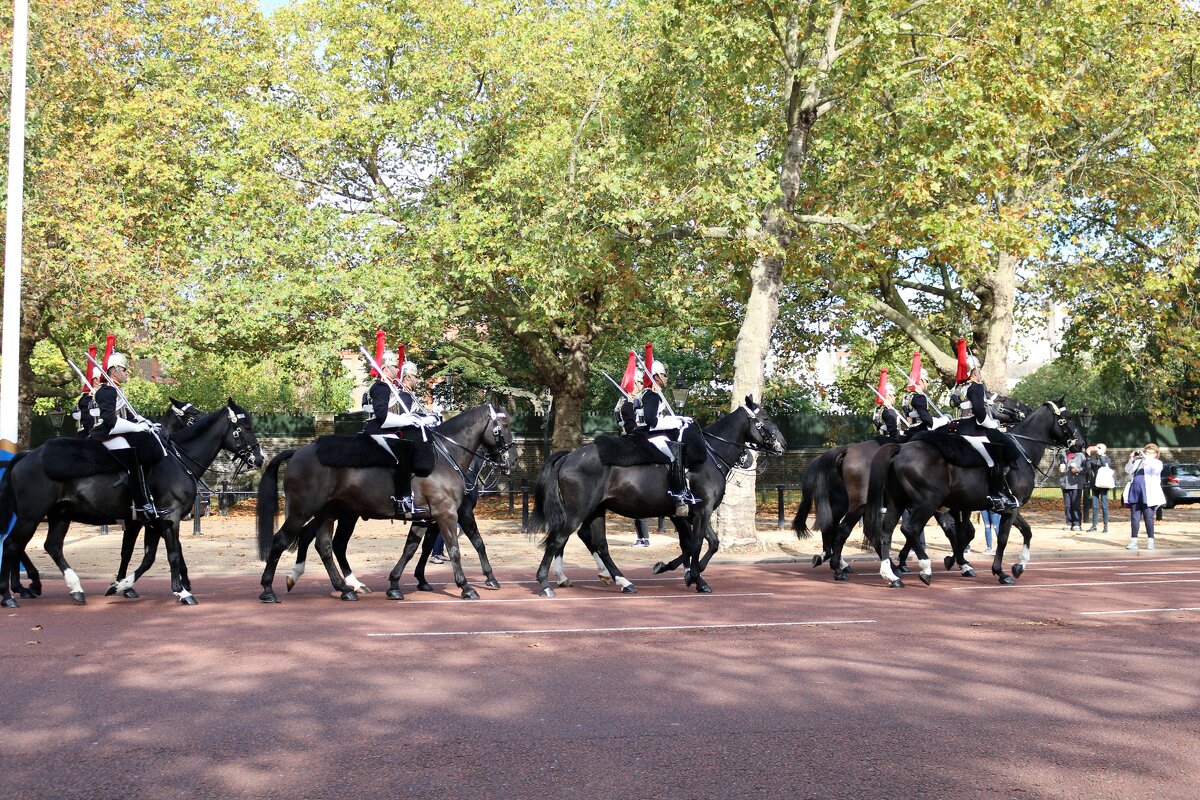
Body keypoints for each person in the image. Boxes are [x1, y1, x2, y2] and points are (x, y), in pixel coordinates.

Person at [88, 349, 170, 519]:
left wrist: (144, 422)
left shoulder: (117, 390)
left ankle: (149, 498)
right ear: (115, 371)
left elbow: (129, 415)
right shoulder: (107, 391)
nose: (126, 372)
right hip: (107, 434)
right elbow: (110, 420)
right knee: (133, 461)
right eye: (124, 369)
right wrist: (135, 428)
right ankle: (140, 505)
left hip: (118, 432)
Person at [950, 339, 1019, 512]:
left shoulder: (958, 388)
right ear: (973, 372)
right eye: (978, 370)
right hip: (973, 431)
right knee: (992, 460)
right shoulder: (976, 387)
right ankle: (994, 495)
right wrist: (994, 423)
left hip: (957, 429)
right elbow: (980, 415)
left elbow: (959, 406)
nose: (980, 374)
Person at [362, 343, 430, 519]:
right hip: (377, 430)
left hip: (383, 429)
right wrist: (409, 420)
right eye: (394, 367)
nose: (396, 370)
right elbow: (383, 417)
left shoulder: (388, 388)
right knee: (404, 452)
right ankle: (403, 498)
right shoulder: (381, 387)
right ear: (385, 367)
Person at [640, 351, 696, 517]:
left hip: (646, 433)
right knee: (675, 455)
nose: (667, 378)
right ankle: (679, 497)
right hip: (650, 435)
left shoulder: (647, 394)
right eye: (664, 375)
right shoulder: (652, 395)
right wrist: (677, 422)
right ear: (656, 377)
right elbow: (652, 422)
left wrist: (678, 418)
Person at [1123, 443, 1165, 550]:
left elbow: (1156, 469)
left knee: (1148, 518)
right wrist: (1131, 459)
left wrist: (1146, 458)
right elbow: (1128, 470)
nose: (1148, 454)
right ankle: (1133, 541)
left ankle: (1151, 541)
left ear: (1156, 454)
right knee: (1134, 518)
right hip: (1135, 492)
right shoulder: (1138, 462)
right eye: (1146, 452)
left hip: (1148, 494)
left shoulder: (1157, 463)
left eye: (1151, 453)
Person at [899, 352, 947, 436]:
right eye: (926, 381)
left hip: (910, 430)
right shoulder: (919, 397)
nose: (927, 384)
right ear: (921, 380)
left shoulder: (906, 397)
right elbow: (925, 418)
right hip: (921, 430)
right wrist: (939, 422)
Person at [1086, 443, 1115, 533]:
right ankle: (1094, 526)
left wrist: (1101, 455)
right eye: (1097, 447)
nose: (1097, 449)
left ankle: (1105, 526)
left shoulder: (1107, 458)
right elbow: (1088, 467)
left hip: (1104, 485)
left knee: (1104, 506)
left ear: (1104, 450)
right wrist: (1088, 455)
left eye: (1100, 448)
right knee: (1095, 506)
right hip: (1095, 485)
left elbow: (1105, 465)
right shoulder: (1094, 458)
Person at [1059, 446, 1085, 531]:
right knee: (1067, 506)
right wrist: (1060, 468)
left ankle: (1077, 524)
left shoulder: (1080, 455)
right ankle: (1069, 523)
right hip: (1065, 483)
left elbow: (1086, 469)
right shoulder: (1063, 454)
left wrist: (1077, 470)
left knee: (1075, 504)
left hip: (1076, 484)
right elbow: (1060, 465)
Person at [871, 370, 902, 439]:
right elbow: (893, 430)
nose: (894, 397)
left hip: (880, 437)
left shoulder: (878, 410)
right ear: (888, 396)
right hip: (891, 439)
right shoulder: (889, 411)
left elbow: (877, 425)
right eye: (894, 395)